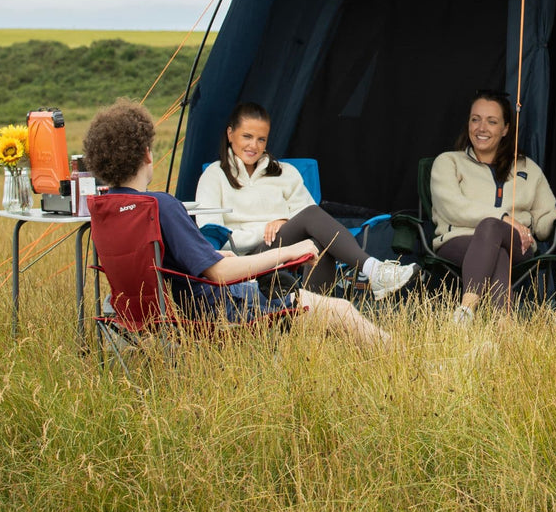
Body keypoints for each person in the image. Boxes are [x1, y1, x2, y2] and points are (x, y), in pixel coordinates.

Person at [83, 99, 388, 346]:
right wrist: (288, 253)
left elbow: (170, 261)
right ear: (148, 154)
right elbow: (218, 275)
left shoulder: (106, 207)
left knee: (317, 307)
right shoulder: (159, 204)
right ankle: (402, 360)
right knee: (342, 310)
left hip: (163, 308)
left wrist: (217, 255)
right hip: (218, 306)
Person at [195, 102, 415, 300]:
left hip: (289, 247)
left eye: (261, 139)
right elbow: (210, 236)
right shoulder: (214, 176)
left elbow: (313, 224)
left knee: (320, 243)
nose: (254, 145)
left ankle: (312, 316)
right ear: (230, 133)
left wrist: (285, 223)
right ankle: (374, 270)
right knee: (310, 216)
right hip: (243, 257)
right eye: (247, 136)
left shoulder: (285, 173)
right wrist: (266, 230)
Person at [430, 89, 556, 322]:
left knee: (493, 229)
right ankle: (504, 327)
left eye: (492, 122)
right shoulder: (448, 162)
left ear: (505, 129)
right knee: (496, 247)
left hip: (517, 244)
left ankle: (466, 311)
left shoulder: (527, 168)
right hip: (457, 240)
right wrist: (503, 217)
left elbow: (541, 227)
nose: (481, 128)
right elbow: (453, 208)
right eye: (475, 119)